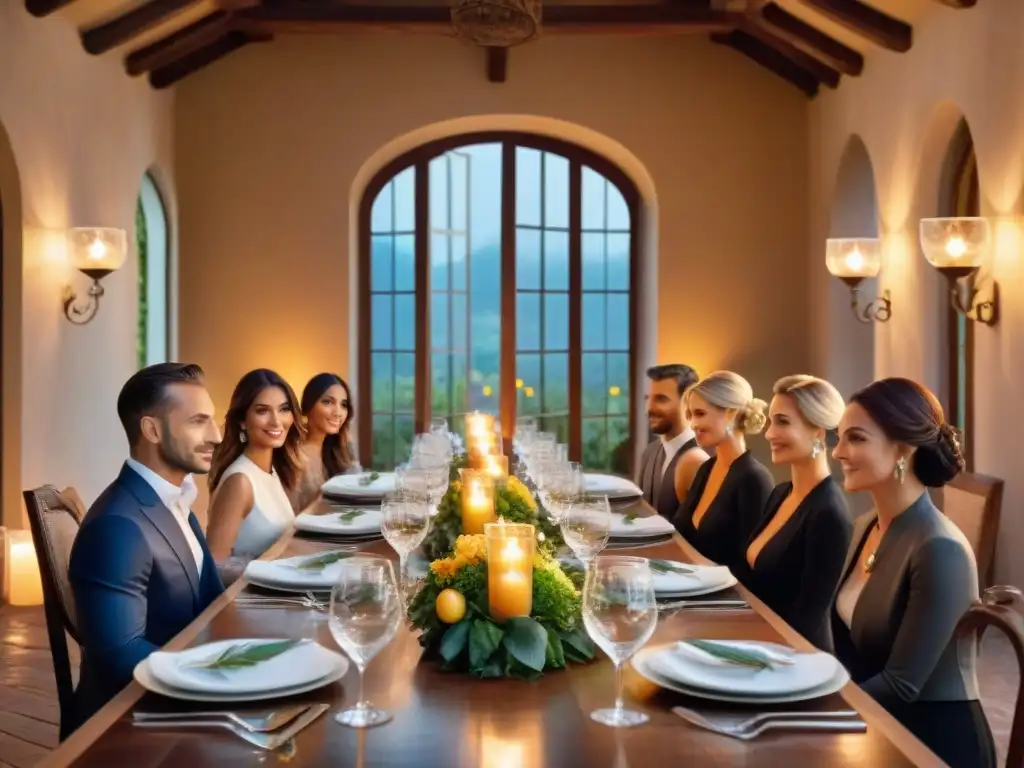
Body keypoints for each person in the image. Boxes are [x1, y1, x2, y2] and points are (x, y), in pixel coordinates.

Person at [831, 377, 994, 768]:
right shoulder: (867, 525)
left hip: (930, 744)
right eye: (838, 438)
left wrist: (817, 711)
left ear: (902, 450)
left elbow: (901, 686)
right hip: (877, 725)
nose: (838, 452)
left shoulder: (940, 549)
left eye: (855, 438)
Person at [68, 363, 224, 728]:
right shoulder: (117, 526)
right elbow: (121, 657)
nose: (216, 435)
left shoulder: (174, 500)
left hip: (180, 694)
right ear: (152, 429)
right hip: (132, 726)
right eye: (198, 421)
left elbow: (209, 597)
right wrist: (224, 683)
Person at [738, 375, 852, 651]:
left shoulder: (829, 514)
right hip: (755, 643)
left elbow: (806, 621)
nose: (769, 433)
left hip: (793, 660)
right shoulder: (780, 494)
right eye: (770, 421)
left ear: (819, 432)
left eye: (783, 422)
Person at [672, 370, 774, 571]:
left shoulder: (754, 479)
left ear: (731, 414)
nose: (693, 424)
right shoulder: (707, 468)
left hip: (725, 597)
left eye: (700, 414)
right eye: (691, 415)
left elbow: (752, 567)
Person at [206, 369, 304, 564]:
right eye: (262, 410)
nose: (276, 421)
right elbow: (213, 568)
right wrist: (267, 572)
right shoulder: (240, 482)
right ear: (242, 421)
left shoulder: (272, 470)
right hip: (250, 593)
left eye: (284, 409)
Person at [635, 364, 709, 517]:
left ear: (689, 402)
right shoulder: (649, 453)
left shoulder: (708, 458)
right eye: (648, 398)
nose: (649, 408)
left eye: (661, 399)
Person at [289, 372, 358, 511]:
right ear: (308, 406)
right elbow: (287, 516)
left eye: (343, 405)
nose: (338, 412)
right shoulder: (292, 456)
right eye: (327, 402)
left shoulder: (339, 451)